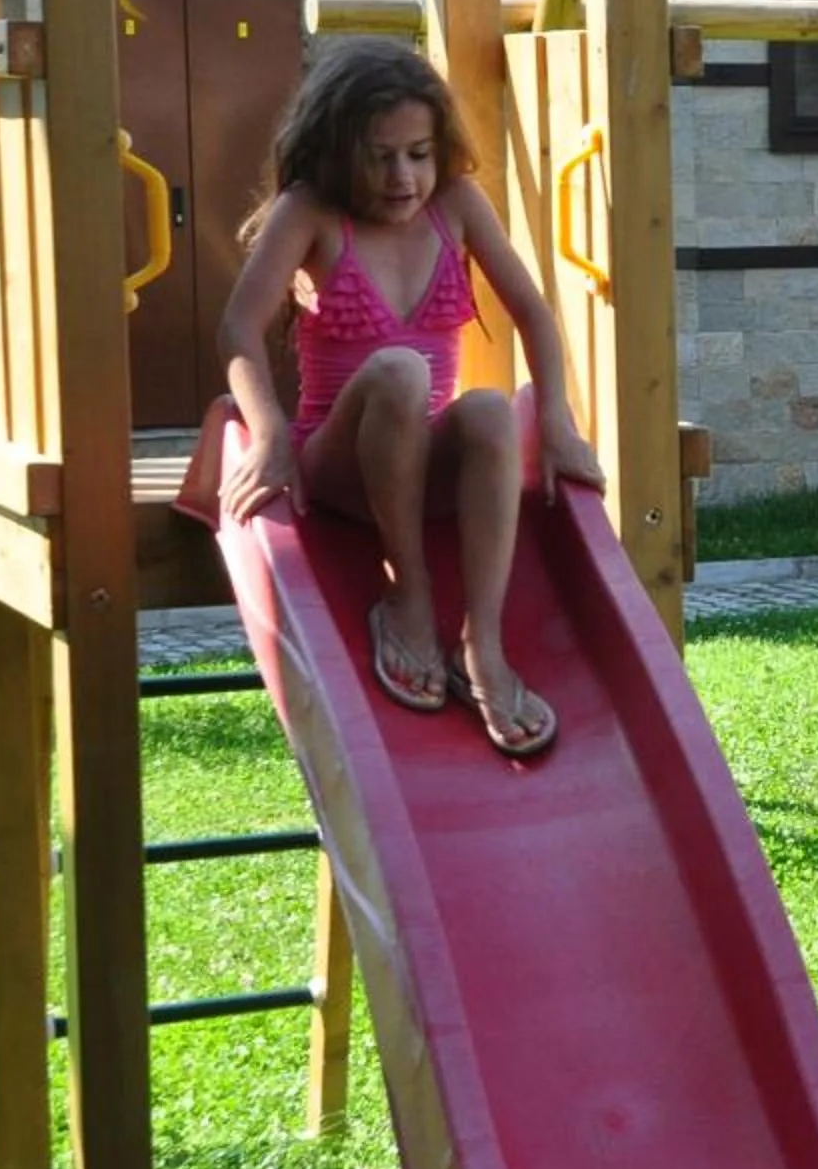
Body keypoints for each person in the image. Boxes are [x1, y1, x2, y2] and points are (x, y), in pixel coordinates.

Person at [216, 39, 605, 758]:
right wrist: (268, 434)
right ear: (337, 151)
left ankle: (481, 644)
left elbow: (534, 313)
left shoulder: (455, 205)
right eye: (380, 156)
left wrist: (555, 421)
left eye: (419, 154)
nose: (404, 176)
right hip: (341, 468)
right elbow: (239, 326)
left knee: (489, 407)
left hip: (423, 469)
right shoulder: (311, 213)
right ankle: (410, 593)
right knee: (399, 372)